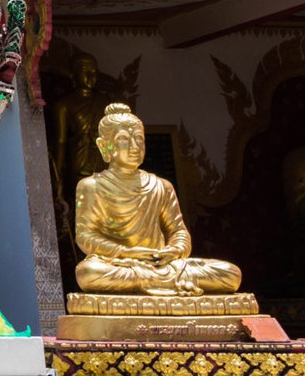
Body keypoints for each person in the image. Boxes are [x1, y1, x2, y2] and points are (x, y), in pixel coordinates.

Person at [74, 103, 241, 296]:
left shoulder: (161, 185)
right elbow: (85, 237)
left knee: (231, 273)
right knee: (88, 273)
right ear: (104, 146)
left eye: (139, 139)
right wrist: (127, 252)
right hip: (121, 264)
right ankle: (166, 285)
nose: (134, 147)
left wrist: (173, 250)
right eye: (123, 140)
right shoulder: (91, 186)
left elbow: (178, 231)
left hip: (163, 265)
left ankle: (155, 283)